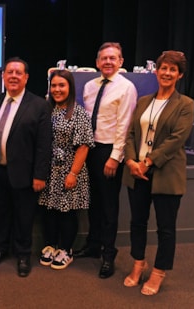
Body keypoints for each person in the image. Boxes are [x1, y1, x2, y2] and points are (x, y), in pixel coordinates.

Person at [122, 51, 194, 295]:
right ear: (156, 71)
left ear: (179, 75)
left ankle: (159, 272)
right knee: (137, 223)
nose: (167, 73)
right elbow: (131, 133)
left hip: (165, 173)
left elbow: (177, 139)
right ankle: (138, 264)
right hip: (137, 172)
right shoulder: (143, 101)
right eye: (164, 68)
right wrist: (131, 161)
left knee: (165, 227)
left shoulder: (186, 104)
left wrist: (148, 162)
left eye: (173, 70)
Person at [0, 57, 52, 277]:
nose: (13, 76)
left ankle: (23, 255)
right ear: (3, 76)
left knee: (24, 217)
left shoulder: (39, 105)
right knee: (0, 215)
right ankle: (1, 249)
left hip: (26, 174)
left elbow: (44, 144)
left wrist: (40, 175)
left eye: (18, 73)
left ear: (26, 78)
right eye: (9, 72)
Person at [75, 42, 137, 279]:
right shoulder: (90, 86)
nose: (108, 62)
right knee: (93, 202)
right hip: (89, 149)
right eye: (104, 58)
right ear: (97, 62)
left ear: (121, 62)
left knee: (109, 206)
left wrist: (114, 158)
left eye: (113, 58)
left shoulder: (126, 88)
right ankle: (93, 245)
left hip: (109, 151)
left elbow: (124, 125)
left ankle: (108, 254)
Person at [38, 70, 95, 270]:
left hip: (69, 169)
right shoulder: (46, 109)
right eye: (54, 85)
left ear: (70, 87)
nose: (57, 89)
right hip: (49, 169)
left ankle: (66, 249)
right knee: (49, 210)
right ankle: (51, 245)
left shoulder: (78, 112)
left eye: (61, 85)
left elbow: (84, 146)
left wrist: (73, 173)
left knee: (67, 212)